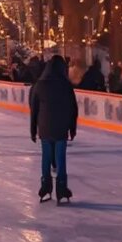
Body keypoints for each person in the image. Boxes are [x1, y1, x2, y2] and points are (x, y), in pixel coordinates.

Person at [29, 56, 78, 203]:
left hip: (44, 128)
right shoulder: (66, 85)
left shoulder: (39, 85)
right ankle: (61, 189)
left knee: (46, 158)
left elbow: (34, 110)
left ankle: (45, 188)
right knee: (60, 159)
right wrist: (72, 128)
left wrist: (33, 130)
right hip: (60, 128)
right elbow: (73, 109)